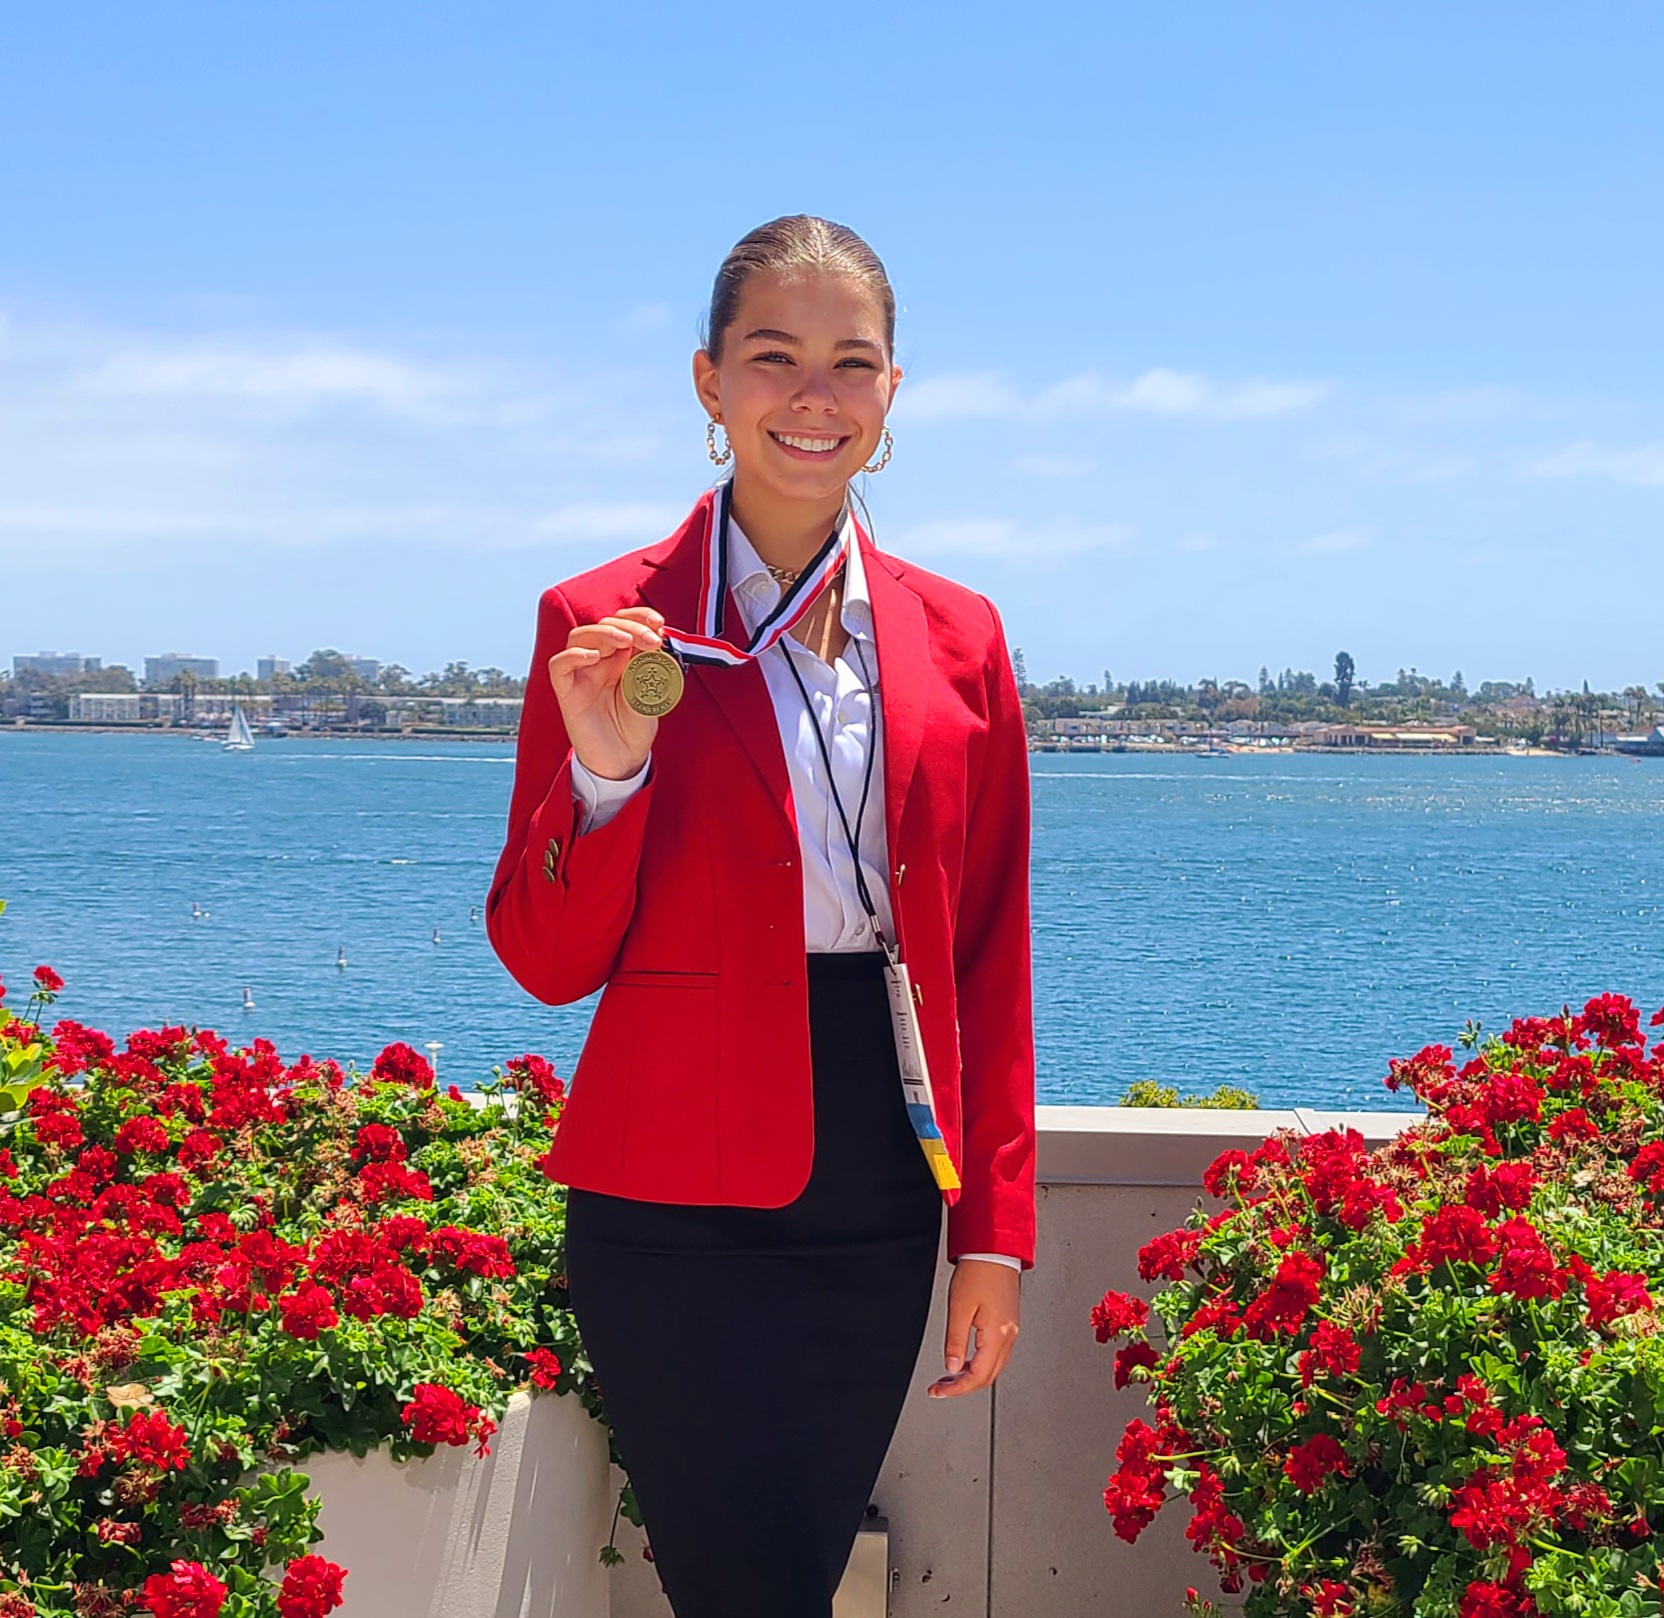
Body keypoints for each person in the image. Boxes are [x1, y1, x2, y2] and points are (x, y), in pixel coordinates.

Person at [487, 214, 1035, 1618]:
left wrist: (994, 1233)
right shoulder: (601, 622)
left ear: (892, 396)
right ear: (709, 381)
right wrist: (608, 769)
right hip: (664, 1183)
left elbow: (987, 951)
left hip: (879, 1169)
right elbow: (546, 961)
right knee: (741, 1583)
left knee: (781, 1576)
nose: (813, 395)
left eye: (851, 363)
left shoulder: (961, 635)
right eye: (774, 355)